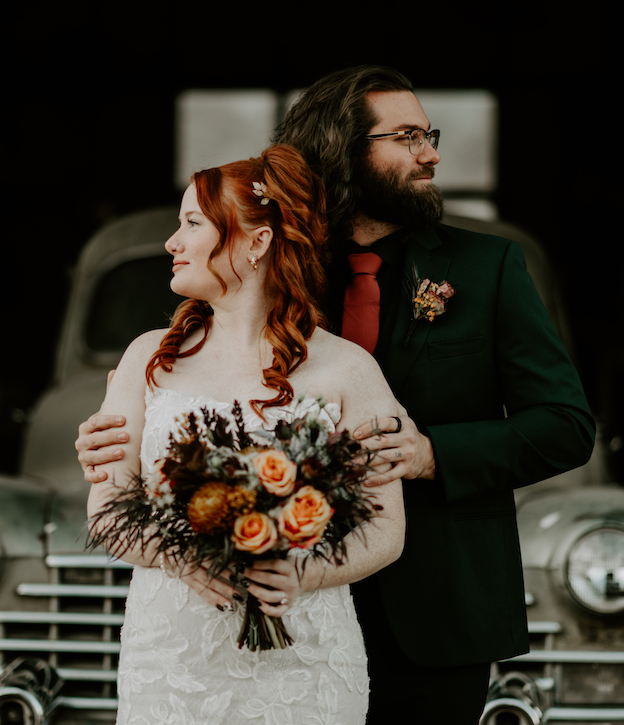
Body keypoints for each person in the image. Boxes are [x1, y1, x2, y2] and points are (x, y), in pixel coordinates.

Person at [80, 66, 596, 723]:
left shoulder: (486, 268)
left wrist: (431, 453)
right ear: (344, 150)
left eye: (428, 134)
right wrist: (111, 439)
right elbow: (195, 397)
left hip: (437, 606)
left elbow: (565, 424)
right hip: (271, 614)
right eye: (406, 136)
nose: (431, 153)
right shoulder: (268, 256)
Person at [87, 143, 406, 724]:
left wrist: (303, 572)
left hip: (305, 663)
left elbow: (386, 528)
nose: (172, 243)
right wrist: (181, 559)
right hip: (172, 661)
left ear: (257, 243)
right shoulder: (147, 361)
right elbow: (106, 509)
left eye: (191, 223)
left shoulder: (347, 369)